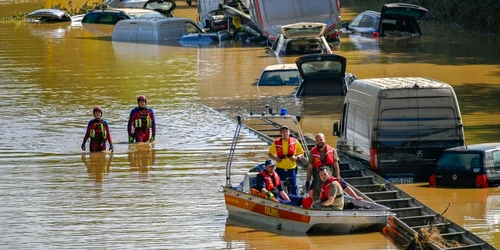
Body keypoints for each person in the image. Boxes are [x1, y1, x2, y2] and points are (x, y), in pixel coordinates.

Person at [306, 133, 363, 201]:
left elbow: (336, 165)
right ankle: (315, 203)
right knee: (312, 189)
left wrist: (338, 177)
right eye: (317, 140)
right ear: (316, 142)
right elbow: (310, 167)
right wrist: (308, 180)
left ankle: (356, 197)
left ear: (325, 139)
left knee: (344, 184)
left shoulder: (332, 150)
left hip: (330, 172)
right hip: (319, 174)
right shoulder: (312, 152)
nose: (319, 142)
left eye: (321, 139)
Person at [267, 125, 305, 195]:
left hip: (291, 169)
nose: (285, 133)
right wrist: (276, 159)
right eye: (283, 132)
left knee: (293, 186)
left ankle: (295, 201)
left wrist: (296, 158)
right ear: (280, 133)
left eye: (286, 131)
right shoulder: (276, 143)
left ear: (289, 132)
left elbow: (302, 153)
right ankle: (282, 200)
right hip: (280, 169)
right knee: (280, 186)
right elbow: (269, 154)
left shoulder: (295, 142)